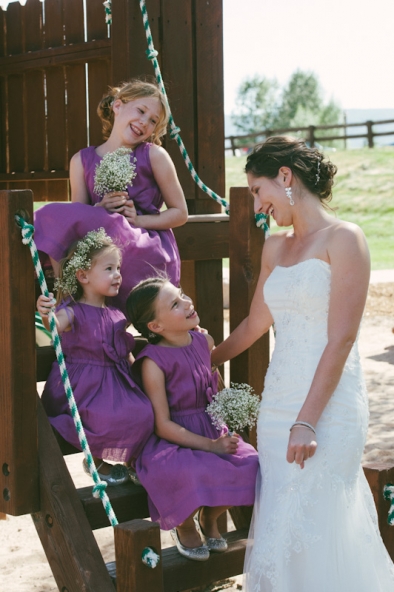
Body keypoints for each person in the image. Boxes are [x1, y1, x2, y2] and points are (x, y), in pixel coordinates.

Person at [211, 136, 394, 590]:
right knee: (282, 527)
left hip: (326, 409)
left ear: (286, 177)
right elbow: (254, 324)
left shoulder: (345, 239)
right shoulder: (274, 248)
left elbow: (342, 338)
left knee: (323, 524)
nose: (258, 203)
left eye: (258, 189)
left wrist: (307, 421)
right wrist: (202, 356)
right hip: (277, 408)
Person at [126, 277, 259, 561]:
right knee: (187, 471)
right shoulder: (152, 363)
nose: (187, 302)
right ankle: (184, 522)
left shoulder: (203, 341)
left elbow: (208, 376)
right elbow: (162, 424)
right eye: (175, 304)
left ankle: (209, 519)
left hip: (210, 427)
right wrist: (210, 446)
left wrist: (224, 425)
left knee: (252, 465)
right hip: (173, 440)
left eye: (182, 294)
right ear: (155, 326)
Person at [34, 79, 188, 314]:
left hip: (143, 249)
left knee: (49, 214)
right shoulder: (81, 161)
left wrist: (138, 220)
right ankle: (65, 293)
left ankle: (65, 297)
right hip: (102, 252)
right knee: (55, 217)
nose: (144, 122)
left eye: (153, 121)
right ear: (117, 106)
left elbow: (180, 213)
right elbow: (75, 220)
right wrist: (99, 209)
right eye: (141, 111)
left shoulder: (154, 155)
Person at [37, 228, 154, 486]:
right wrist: (46, 313)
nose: (118, 275)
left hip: (116, 383)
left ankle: (132, 460)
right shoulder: (73, 312)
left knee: (144, 411)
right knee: (105, 417)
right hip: (85, 389)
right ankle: (97, 462)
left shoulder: (116, 315)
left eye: (118, 268)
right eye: (109, 269)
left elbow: (123, 353)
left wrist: (138, 380)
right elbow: (54, 326)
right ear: (83, 276)